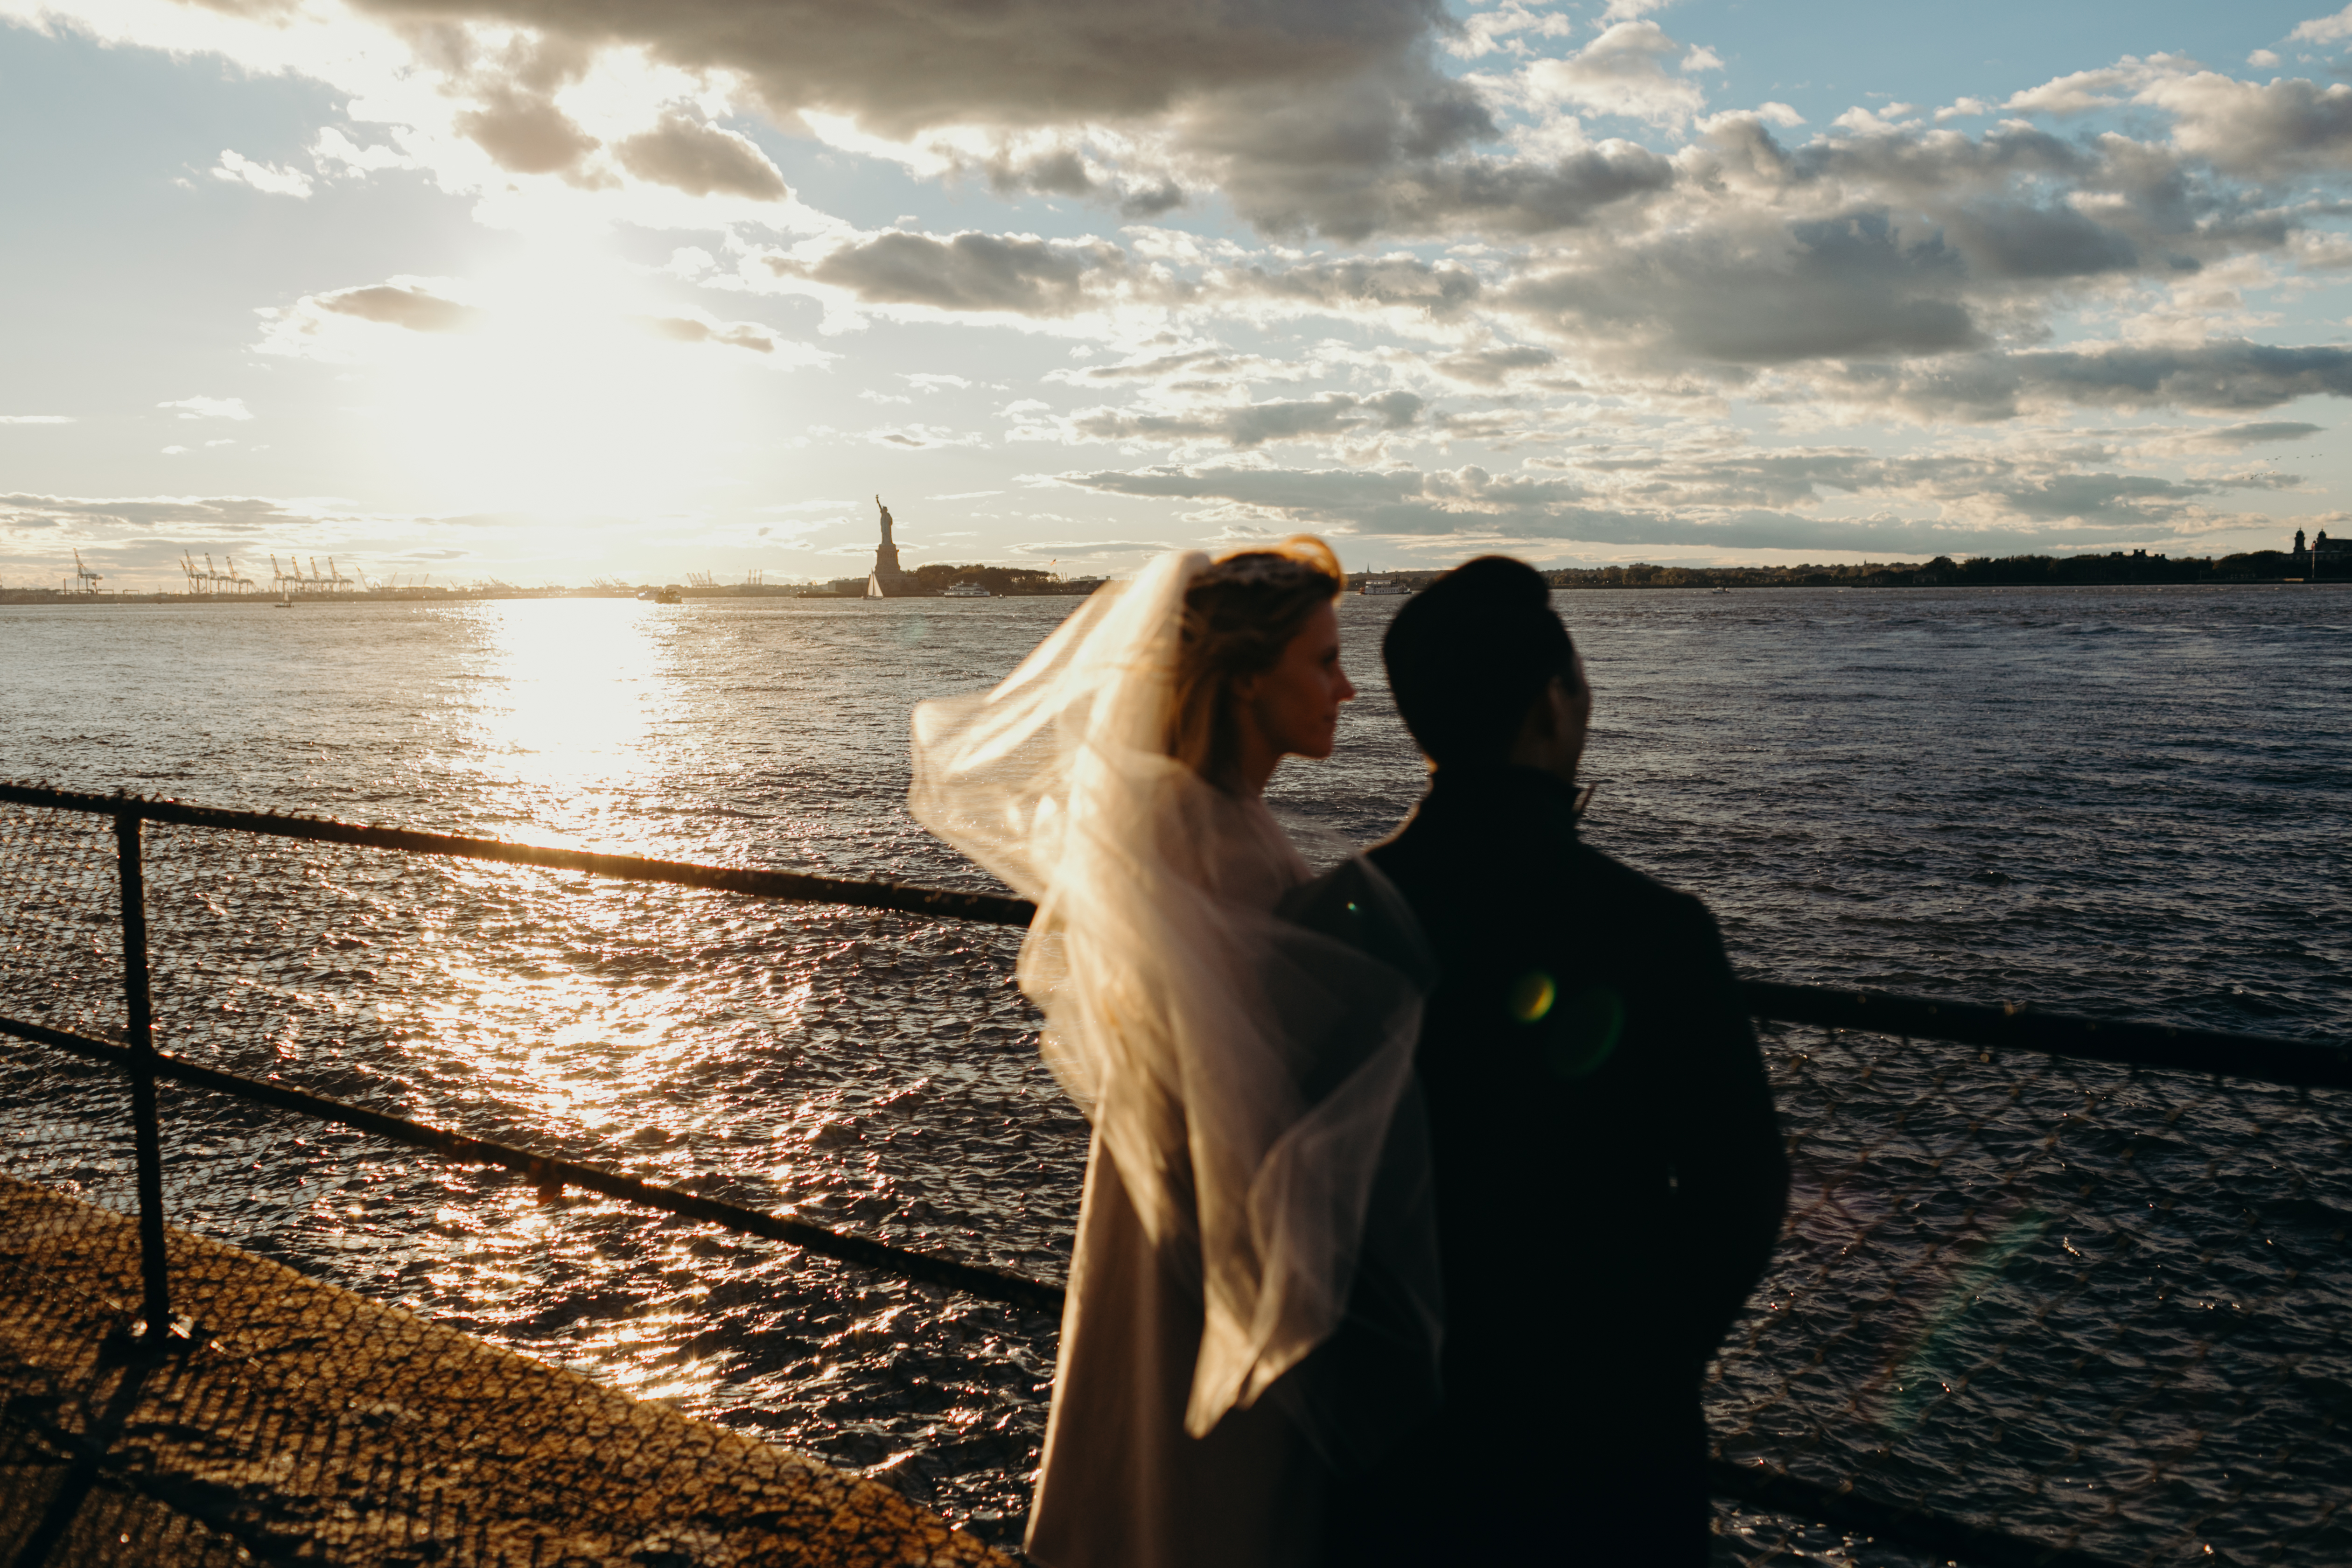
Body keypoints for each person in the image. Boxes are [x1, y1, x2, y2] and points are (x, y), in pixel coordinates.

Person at [907, 539, 1441, 1568]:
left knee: (1136, 1447)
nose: (1348, 688)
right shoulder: (1221, 843)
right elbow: (1255, 1095)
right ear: (1247, 680)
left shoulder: (1180, 814)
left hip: (1151, 1191)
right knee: (1215, 1496)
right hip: (1213, 1214)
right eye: (1324, 661)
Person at [1323, 555, 1788, 1568]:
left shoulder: (1328, 917)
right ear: (1552, 702)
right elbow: (1743, 1192)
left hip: (1387, 1445)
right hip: (1603, 1454)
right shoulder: (1657, 929)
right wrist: (1642, 1365)